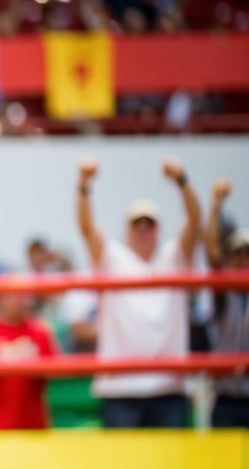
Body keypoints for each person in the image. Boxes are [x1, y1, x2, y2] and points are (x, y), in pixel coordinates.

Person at [77, 157, 201, 428]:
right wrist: (84, 185)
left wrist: (183, 181)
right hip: (121, 389)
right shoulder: (113, 257)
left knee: (171, 468)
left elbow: (194, 221)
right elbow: (87, 228)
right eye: (137, 224)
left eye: (149, 224)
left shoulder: (174, 256)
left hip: (169, 386)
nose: (143, 230)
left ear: (158, 228)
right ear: (128, 229)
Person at [0, 285, 58, 430]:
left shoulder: (40, 331)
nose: (22, 301)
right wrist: (5, 361)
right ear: (1, 298)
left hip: (33, 425)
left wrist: (29, 362)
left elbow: (55, 370)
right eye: (15, 296)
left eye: (24, 296)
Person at [205, 179, 249, 426]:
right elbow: (211, 251)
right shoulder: (223, 293)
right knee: (222, 465)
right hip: (226, 400)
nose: (242, 261)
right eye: (237, 256)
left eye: (247, 255)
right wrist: (215, 206)